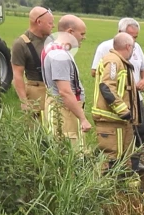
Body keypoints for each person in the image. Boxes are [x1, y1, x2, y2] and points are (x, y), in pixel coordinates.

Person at [91, 18, 144, 146]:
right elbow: (97, 74)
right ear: (119, 32)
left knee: (143, 129)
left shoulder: (137, 47)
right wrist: (122, 84)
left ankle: (134, 159)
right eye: (131, 37)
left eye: (136, 37)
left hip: (135, 98)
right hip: (117, 99)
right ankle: (122, 159)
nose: (133, 41)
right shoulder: (105, 48)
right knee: (121, 132)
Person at [91, 32, 141, 182]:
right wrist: (123, 110)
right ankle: (100, 189)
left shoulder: (119, 62)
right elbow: (106, 87)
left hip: (122, 121)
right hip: (111, 119)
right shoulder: (113, 62)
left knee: (127, 155)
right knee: (110, 158)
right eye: (133, 47)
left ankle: (126, 189)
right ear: (128, 46)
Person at [41, 14, 90, 153]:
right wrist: (83, 118)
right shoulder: (60, 56)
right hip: (64, 111)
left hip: (59, 106)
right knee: (70, 151)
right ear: (70, 32)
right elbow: (65, 91)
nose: (83, 37)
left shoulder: (51, 46)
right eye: (82, 34)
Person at [10, 6, 54, 115]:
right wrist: (24, 101)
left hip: (53, 91)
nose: (53, 26)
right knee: (35, 128)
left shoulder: (52, 41)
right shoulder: (21, 44)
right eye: (50, 23)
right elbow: (17, 75)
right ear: (39, 22)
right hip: (35, 91)